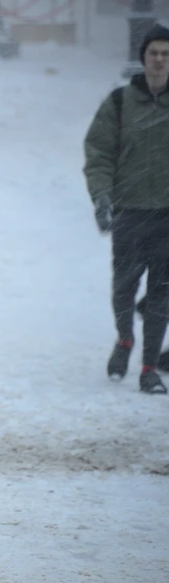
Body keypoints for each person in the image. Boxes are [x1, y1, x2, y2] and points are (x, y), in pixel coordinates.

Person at [84, 24, 169, 396]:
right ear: (143, 58)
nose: (160, 60)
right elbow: (99, 153)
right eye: (154, 53)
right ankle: (124, 340)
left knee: (161, 294)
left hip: (167, 216)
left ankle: (149, 367)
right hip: (130, 213)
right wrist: (102, 197)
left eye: (166, 54)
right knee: (123, 288)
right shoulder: (120, 103)